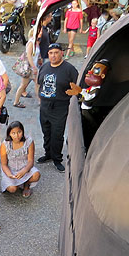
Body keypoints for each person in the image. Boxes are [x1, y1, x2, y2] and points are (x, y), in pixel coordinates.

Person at [37, 43, 78, 171]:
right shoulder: (44, 67)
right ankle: (48, 154)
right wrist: (40, 99)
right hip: (45, 106)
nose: (53, 55)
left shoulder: (69, 69)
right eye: (51, 53)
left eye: (56, 52)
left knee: (57, 134)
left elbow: (77, 88)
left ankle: (57, 159)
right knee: (46, 132)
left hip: (60, 106)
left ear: (61, 53)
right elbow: (39, 84)